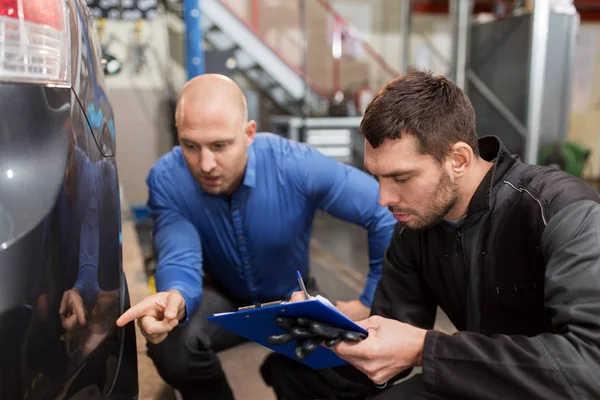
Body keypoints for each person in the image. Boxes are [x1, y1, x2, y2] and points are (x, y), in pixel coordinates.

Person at [260, 70, 600, 400]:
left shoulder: (561, 211)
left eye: (402, 178)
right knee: (292, 373)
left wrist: (426, 349)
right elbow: (391, 334)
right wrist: (328, 330)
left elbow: (590, 367)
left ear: (459, 159)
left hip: (557, 388)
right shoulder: (415, 228)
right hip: (478, 377)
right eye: (377, 178)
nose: (384, 199)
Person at [115, 74, 396, 399]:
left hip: (293, 298)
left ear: (249, 133)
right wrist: (175, 298)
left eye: (220, 146)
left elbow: (382, 211)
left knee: (359, 360)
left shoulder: (296, 166)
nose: (205, 164)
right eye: (190, 146)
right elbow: (180, 253)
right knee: (173, 347)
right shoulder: (168, 178)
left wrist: (369, 302)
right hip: (220, 298)